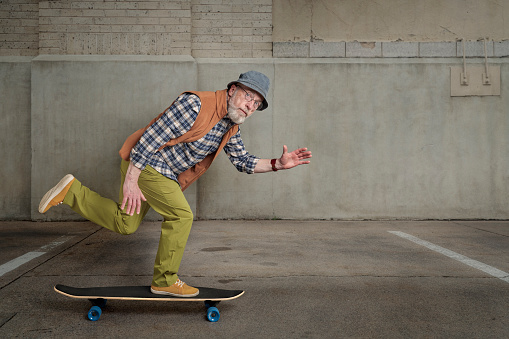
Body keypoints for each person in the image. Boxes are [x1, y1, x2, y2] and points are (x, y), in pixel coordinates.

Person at [38, 71, 312, 297]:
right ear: (232, 90)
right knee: (182, 215)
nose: (249, 106)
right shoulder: (195, 105)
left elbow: (243, 161)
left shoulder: (230, 127)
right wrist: (132, 180)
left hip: (161, 174)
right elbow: (149, 139)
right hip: (146, 164)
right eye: (248, 96)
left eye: (256, 104)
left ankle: (72, 191)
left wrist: (278, 163)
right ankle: (165, 280)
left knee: (126, 224)